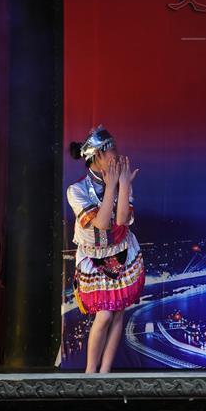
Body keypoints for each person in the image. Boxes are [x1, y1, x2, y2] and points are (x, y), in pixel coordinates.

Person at [66, 125, 145, 374]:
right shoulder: (76, 191)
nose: (116, 154)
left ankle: (106, 372)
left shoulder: (120, 180)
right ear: (96, 156)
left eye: (115, 148)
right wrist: (112, 186)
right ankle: (91, 372)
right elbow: (101, 224)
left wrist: (122, 184)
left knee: (118, 313)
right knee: (105, 315)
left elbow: (121, 220)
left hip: (121, 251)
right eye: (110, 150)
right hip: (94, 256)